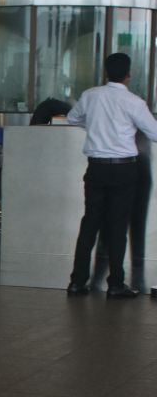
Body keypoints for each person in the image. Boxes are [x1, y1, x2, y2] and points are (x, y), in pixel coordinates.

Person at [66, 53, 157, 299]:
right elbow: (154, 132)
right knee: (118, 226)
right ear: (128, 74)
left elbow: (72, 118)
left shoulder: (90, 95)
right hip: (124, 169)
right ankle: (115, 284)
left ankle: (76, 282)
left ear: (106, 72)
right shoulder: (134, 102)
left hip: (96, 168)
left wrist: (93, 126)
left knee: (90, 224)